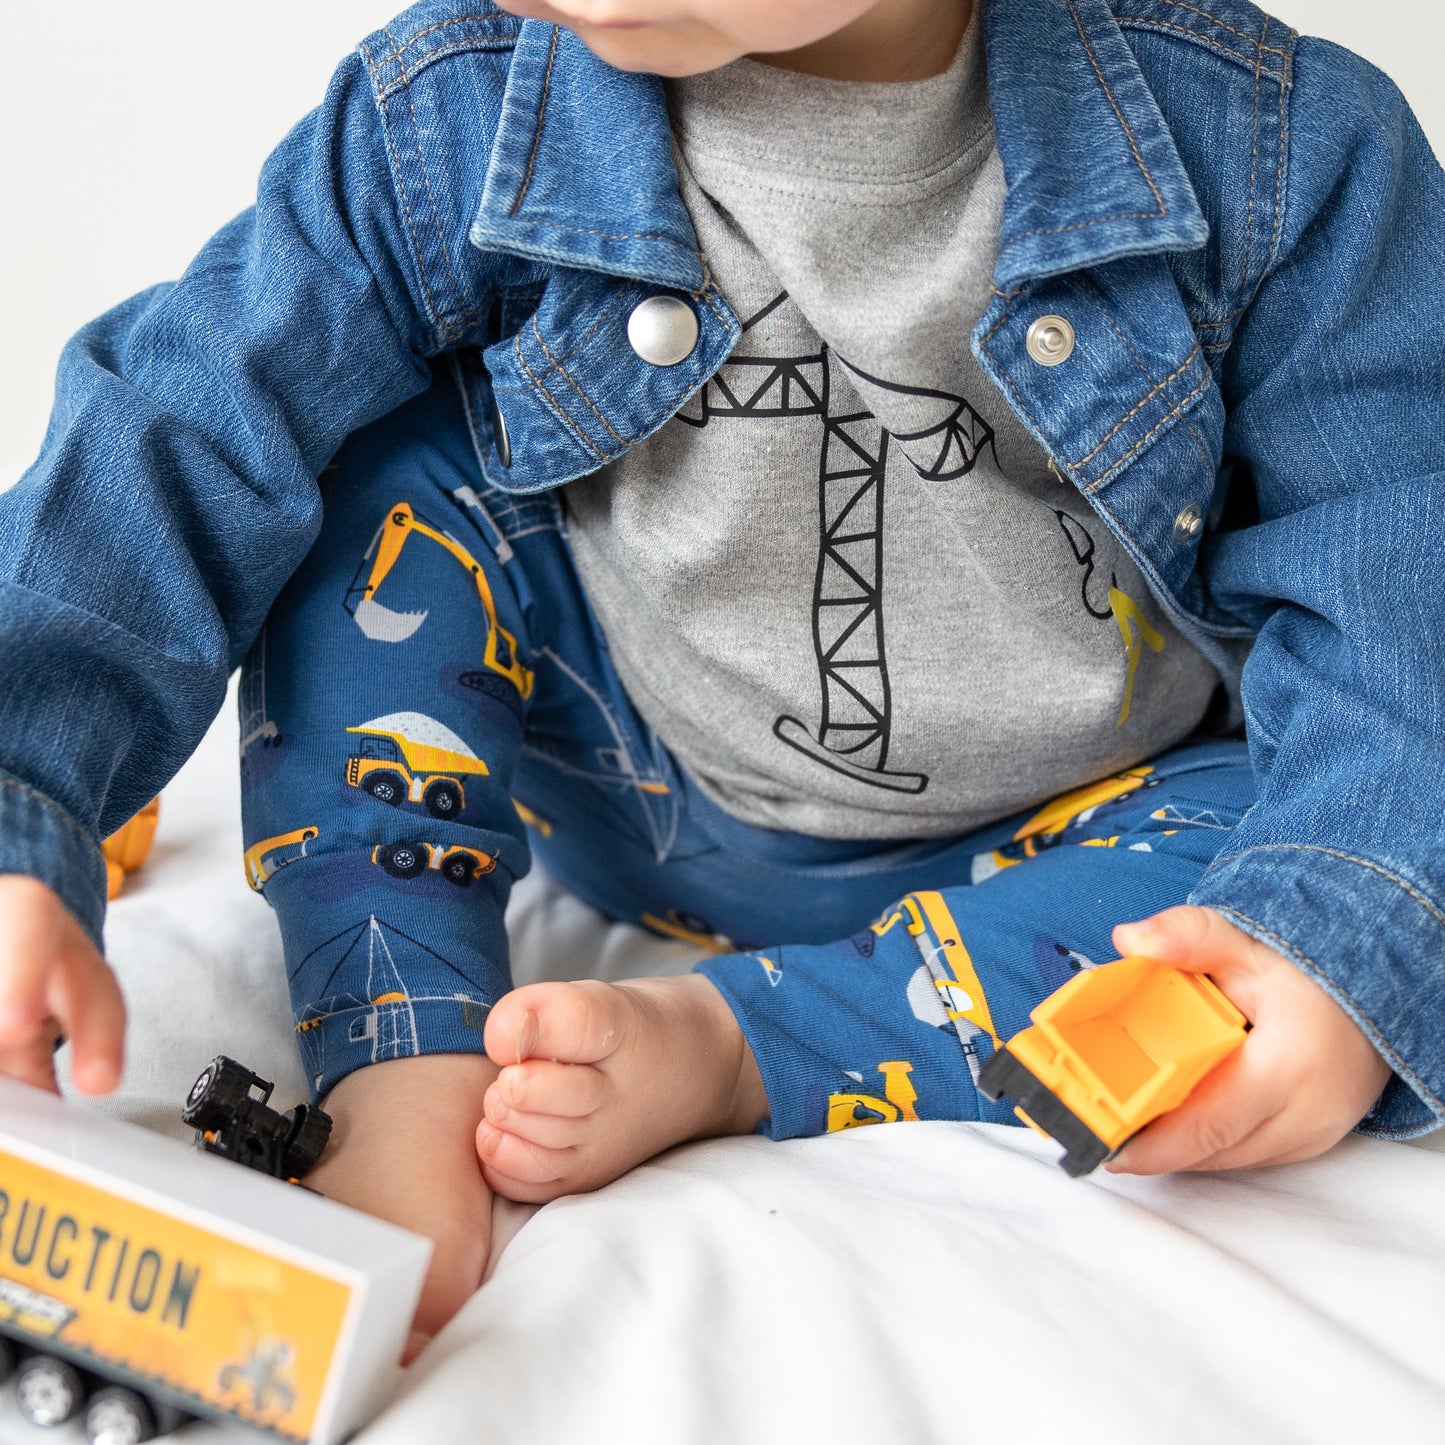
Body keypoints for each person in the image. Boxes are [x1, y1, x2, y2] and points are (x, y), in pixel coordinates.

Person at [1, 0, 1442, 1349]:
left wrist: (1337, 932)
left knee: (1300, 838)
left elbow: (1401, 591)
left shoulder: (1281, 151)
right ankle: (403, 1038)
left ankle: (738, 1043)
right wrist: (23, 797)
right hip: (621, 775)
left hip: (1075, 837)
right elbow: (179, 433)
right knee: (372, 471)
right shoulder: (449, 109)